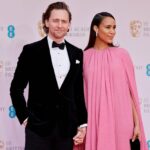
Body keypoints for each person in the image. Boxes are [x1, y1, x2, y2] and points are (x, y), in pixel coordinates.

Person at [10, 2, 87, 150]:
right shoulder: (30, 51)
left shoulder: (77, 53)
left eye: (64, 21)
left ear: (69, 24)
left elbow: (78, 92)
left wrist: (82, 124)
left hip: (67, 130)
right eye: (55, 20)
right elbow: (16, 88)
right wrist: (25, 118)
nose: (60, 25)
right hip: (38, 130)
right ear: (46, 22)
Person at [82, 12, 148, 150]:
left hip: (122, 120)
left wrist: (137, 124)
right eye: (108, 27)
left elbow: (130, 93)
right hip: (95, 121)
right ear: (95, 28)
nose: (112, 31)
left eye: (114, 27)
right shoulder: (84, 57)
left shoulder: (122, 55)